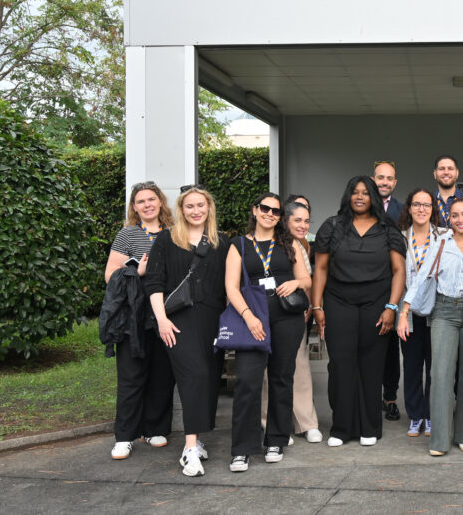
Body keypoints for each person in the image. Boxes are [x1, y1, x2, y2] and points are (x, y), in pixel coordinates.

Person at [311, 176, 407, 446]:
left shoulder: (388, 229)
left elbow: (399, 271)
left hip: (377, 304)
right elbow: (320, 269)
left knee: (371, 365)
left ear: (373, 197)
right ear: (348, 196)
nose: (360, 197)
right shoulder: (333, 226)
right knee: (341, 364)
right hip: (338, 302)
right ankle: (341, 428)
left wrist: (391, 307)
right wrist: (316, 305)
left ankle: (369, 427)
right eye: (355, 192)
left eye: (366, 192)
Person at [145, 184, 228, 477]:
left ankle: (197, 437)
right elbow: (154, 282)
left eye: (200, 205)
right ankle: (190, 448)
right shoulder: (167, 239)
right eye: (189, 206)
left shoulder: (222, 242)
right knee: (195, 375)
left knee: (209, 377)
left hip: (212, 320)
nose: (196, 211)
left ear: (209, 208)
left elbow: (230, 285)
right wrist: (161, 319)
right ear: (181, 209)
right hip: (177, 321)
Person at [225, 193, 312, 472]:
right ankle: (242, 449)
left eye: (276, 211)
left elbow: (307, 279)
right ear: (255, 210)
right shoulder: (239, 244)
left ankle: (276, 440)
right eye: (265, 208)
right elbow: (231, 287)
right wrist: (248, 317)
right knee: (247, 381)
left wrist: (295, 283)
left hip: (286, 318)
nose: (270, 214)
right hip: (252, 319)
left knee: (281, 379)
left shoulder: (289, 243)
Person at [400, 197, 463, 456]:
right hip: (444, 311)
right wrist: (404, 311)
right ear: (449, 218)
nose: (460, 220)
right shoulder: (441, 243)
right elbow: (420, 278)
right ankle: (439, 440)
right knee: (440, 374)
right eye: (455, 215)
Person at [103, 181, 176, 460]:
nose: (147, 205)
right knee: (131, 376)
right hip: (133, 316)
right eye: (141, 201)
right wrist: (137, 269)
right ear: (134, 207)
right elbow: (110, 275)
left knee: (162, 374)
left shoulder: (174, 232)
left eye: (151, 199)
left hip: (166, 313)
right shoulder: (128, 234)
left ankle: (155, 428)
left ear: (160, 202)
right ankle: (125, 436)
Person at [259, 197, 322, 444]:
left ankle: (307, 423)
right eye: (297, 220)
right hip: (264, 312)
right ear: (284, 220)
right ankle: (272, 424)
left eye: (307, 221)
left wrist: (310, 306)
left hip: (294, 313)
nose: (303, 225)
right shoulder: (264, 241)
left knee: (299, 367)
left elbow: (307, 279)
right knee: (269, 371)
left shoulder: (300, 244)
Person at [394, 188, 441, 439]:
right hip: (408, 313)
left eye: (426, 204)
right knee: (412, 365)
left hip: (436, 311)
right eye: (416, 204)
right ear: (409, 208)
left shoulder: (443, 236)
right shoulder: (400, 238)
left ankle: (431, 414)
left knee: (434, 366)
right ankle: (415, 415)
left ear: (433, 209)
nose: (421, 209)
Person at [373, 162, 403, 422]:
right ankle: (369, 396)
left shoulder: (402, 211)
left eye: (389, 178)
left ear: (395, 183)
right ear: (374, 179)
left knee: (391, 346)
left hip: (393, 283)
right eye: (380, 177)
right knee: (369, 343)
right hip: (366, 284)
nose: (384, 182)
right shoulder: (360, 206)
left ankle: (390, 397)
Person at [433, 154, 463, 229]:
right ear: (435, 174)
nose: (446, 172)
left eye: (450, 168)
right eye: (441, 169)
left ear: (457, 173)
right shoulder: (428, 202)